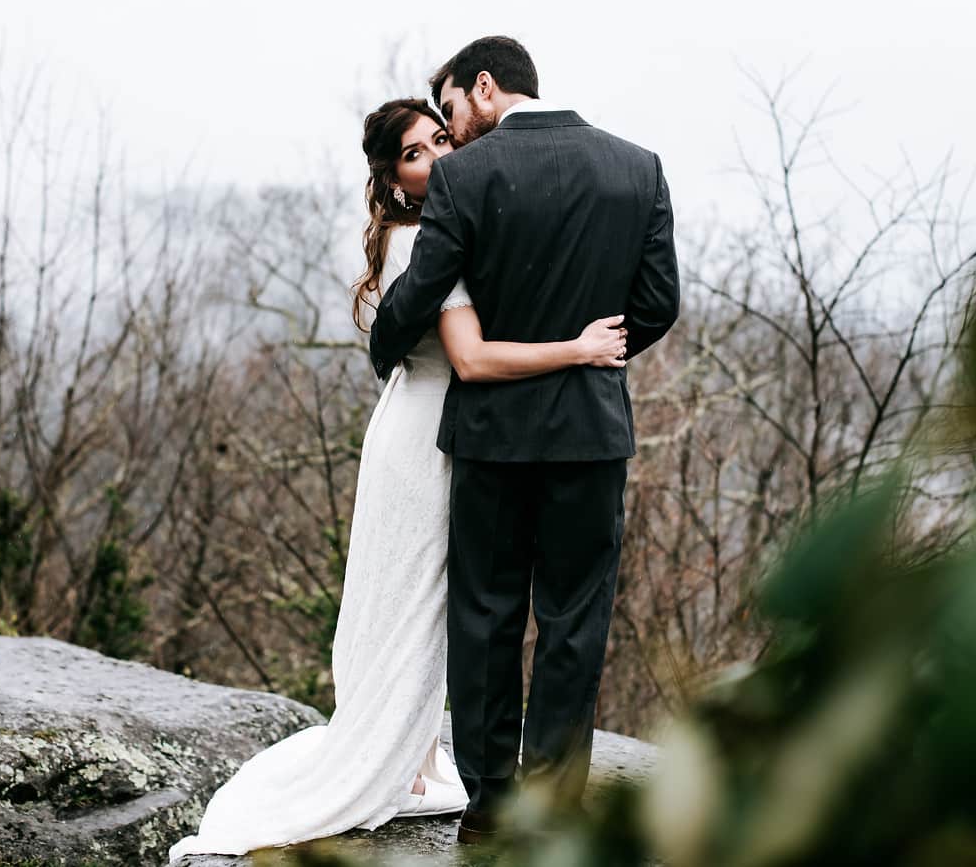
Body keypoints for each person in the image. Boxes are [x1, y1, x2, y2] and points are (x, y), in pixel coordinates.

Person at [166, 97, 629, 861]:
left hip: (428, 422)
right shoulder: (422, 241)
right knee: (420, 598)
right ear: (394, 178)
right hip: (431, 439)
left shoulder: (433, 229)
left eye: (442, 139)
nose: (440, 156)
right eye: (417, 153)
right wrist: (576, 349)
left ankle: (412, 762)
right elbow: (473, 359)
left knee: (418, 595)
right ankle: (388, 759)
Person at [369, 36, 680, 844]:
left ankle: (490, 803)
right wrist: (589, 357)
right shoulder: (636, 168)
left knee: (485, 616)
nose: (451, 128)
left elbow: (424, 288)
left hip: (490, 437)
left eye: (450, 109)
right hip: (589, 431)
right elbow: (657, 303)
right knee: (575, 620)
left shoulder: (465, 179)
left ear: (484, 86)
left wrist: (384, 345)